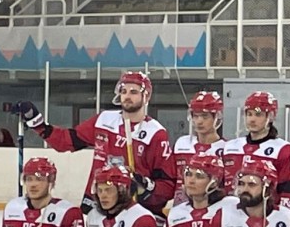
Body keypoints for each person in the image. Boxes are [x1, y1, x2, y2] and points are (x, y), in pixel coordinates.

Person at [12, 70, 175, 215]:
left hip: (131, 206)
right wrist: (37, 123)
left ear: (145, 96)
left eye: (133, 92)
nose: (127, 96)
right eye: (124, 91)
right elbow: (66, 141)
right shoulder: (104, 120)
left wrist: (145, 190)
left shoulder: (155, 133)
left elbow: (167, 185)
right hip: (97, 201)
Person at [221, 91, 290, 215]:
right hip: (231, 218)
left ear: (271, 116)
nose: (252, 119)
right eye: (249, 114)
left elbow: (289, 192)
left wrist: (284, 219)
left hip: (265, 218)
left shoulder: (284, 150)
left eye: (258, 114)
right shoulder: (230, 147)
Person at [171, 91, 225, 205]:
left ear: (217, 117)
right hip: (180, 208)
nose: (199, 121)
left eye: (205, 116)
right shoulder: (182, 144)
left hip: (212, 208)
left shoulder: (226, 149)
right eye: (196, 116)